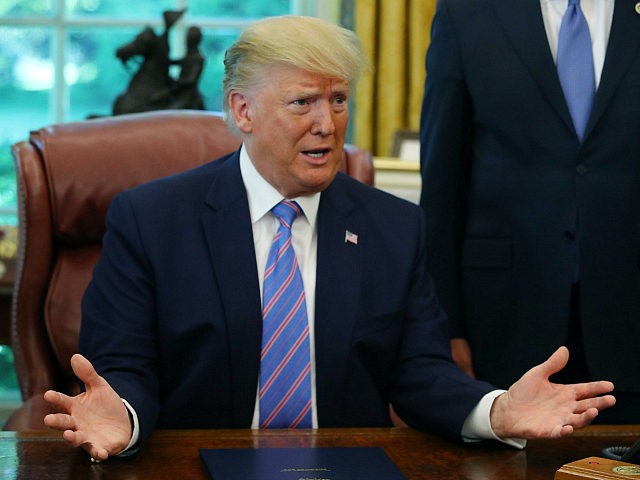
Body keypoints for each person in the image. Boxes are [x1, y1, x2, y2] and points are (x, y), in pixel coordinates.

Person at [43, 15, 614, 462]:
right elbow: (124, 366)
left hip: (345, 466)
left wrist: (495, 411)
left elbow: (419, 374)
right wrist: (121, 414)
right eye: (303, 102)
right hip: (196, 464)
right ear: (243, 110)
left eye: (337, 99)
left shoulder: (393, 226)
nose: (327, 123)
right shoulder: (152, 218)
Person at [419, 0, 639, 423]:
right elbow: (443, 184)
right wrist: (446, 327)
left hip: (628, 320)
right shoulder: (468, 13)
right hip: (502, 322)